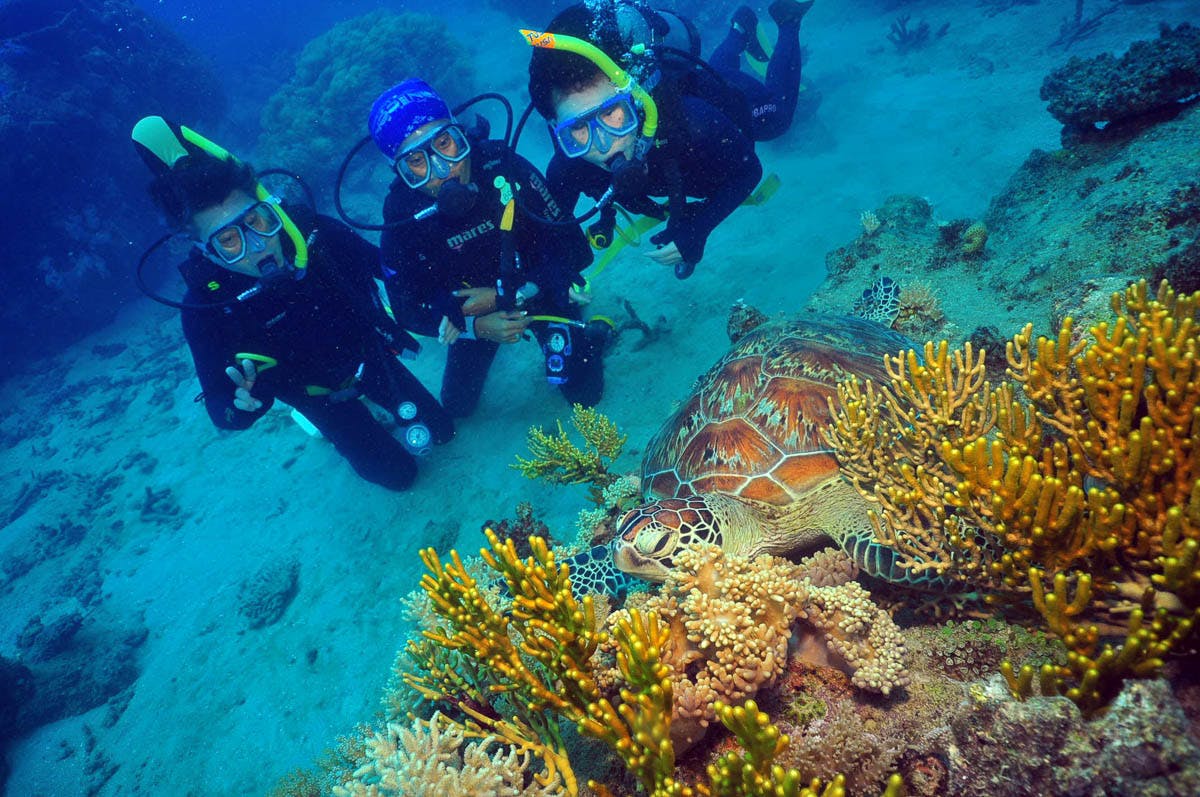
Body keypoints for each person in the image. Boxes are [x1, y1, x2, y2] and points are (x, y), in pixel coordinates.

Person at [131, 116, 453, 491]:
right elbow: (222, 408)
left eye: (256, 219)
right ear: (205, 251)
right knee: (400, 477)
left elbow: (391, 270)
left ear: (270, 208)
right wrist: (242, 406)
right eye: (230, 241)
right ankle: (318, 425)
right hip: (317, 396)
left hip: (374, 358)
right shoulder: (206, 307)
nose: (258, 244)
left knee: (443, 431)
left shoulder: (315, 236)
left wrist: (438, 291)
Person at [371, 78, 608, 419]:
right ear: (401, 170)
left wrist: (507, 297)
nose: (442, 168)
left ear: (459, 133)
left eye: (443, 142)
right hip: (471, 313)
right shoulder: (402, 215)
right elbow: (406, 309)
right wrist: (477, 327)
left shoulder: (501, 164)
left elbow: (574, 249)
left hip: (537, 286)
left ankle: (577, 328)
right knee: (457, 406)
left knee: (586, 395)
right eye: (418, 161)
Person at [525, 1, 813, 279]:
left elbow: (748, 172)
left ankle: (787, 20)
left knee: (778, 118)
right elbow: (550, 235)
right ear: (556, 128)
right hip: (697, 98)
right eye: (577, 127)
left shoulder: (695, 123)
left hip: (725, 104)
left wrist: (700, 227)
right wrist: (549, 278)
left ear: (638, 101)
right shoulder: (569, 166)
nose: (602, 145)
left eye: (612, 112)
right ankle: (739, 29)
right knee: (721, 70)